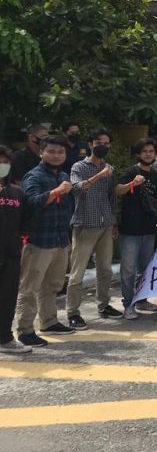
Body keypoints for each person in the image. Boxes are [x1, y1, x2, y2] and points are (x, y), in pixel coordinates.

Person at [15, 135, 76, 347]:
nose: (56, 155)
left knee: (52, 285)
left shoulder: (64, 175)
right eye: (51, 151)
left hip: (60, 238)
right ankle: (24, 330)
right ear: (41, 152)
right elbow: (31, 203)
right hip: (39, 240)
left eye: (60, 152)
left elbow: (69, 205)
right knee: (30, 288)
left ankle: (49, 322)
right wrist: (55, 192)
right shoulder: (34, 176)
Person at [67, 128, 122, 329]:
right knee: (77, 272)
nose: (103, 146)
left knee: (105, 270)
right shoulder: (79, 166)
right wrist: (98, 176)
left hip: (105, 224)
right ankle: (73, 312)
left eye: (107, 143)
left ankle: (104, 305)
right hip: (85, 224)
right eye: (99, 142)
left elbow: (111, 197)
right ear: (91, 144)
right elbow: (76, 189)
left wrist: (114, 222)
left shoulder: (111, 168)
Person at [114, 138, 157, 320]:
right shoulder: (130, 172)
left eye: (151, 151)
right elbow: (118, 190)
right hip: (130, 229)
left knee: (145, 268)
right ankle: (128, 304)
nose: (148, 154)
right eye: (144, 151)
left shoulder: (156, 175)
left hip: (149, 228)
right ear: (138, 154)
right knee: (128, 270)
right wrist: (132, 184)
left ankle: (143, 299)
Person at [0, 146, 30, 353]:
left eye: (5, 162)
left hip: (10, 254)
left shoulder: (17, 193)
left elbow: (25, 224)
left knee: (8, 297)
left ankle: (4, 338)